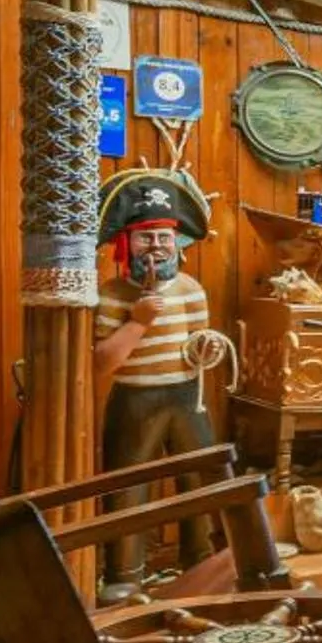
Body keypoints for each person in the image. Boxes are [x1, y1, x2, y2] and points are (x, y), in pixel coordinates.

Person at [93, 169, 219, 590]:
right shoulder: (112, 295)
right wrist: (138, 323)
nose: (157, 248)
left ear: (178, 243)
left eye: (164, 237)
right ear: (125, 244)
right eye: (146, 237)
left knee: (201, 480)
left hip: (187, 397)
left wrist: (207, 349)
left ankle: (201, 563)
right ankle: (125, 574)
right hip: (134, 402)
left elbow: (198, 344)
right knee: (128, 485)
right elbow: (101, 363)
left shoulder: (190, 290)